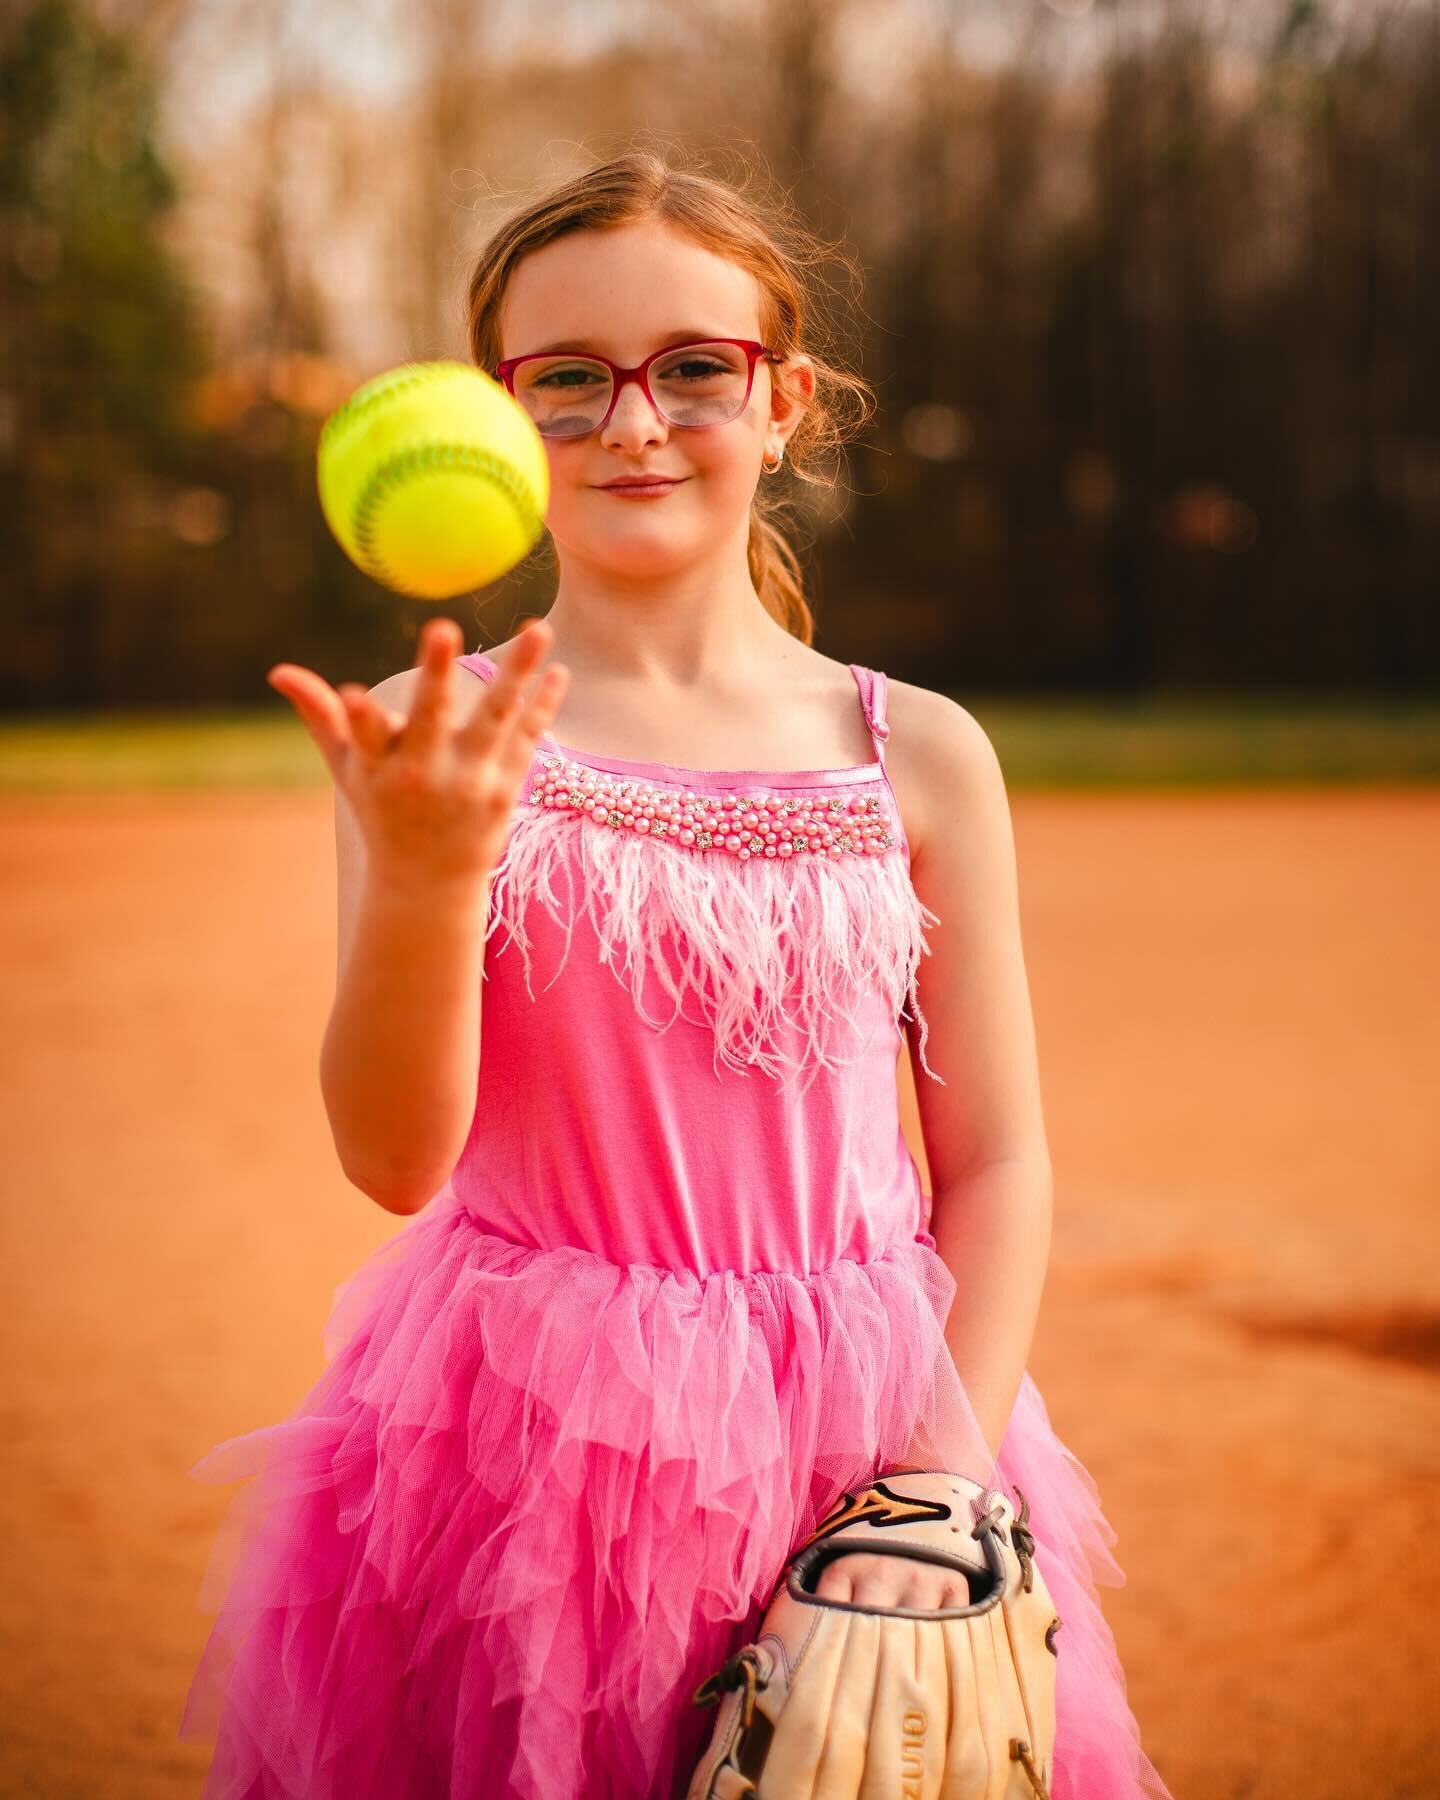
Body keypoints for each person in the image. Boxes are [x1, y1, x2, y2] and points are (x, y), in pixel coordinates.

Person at [179, 149, 1174, 1799]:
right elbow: (392, 1159)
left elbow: (995, 1161)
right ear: (497, 420)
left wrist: (936, 1492)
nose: (632, 424)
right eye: (566, 382)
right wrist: (429, 876)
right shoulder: (441, 741)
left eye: (692, 368)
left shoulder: (916, 754)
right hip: (518, 1455)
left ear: (781, 400)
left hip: (868, 1441)